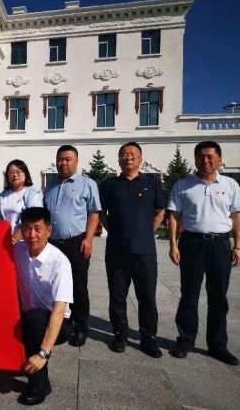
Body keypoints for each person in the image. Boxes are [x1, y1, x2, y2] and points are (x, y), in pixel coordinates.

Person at [168, 141, 240, 366]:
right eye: (200, 156)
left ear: (219, 159)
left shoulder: (230, 185)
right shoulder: (183, 185)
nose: (205, 160)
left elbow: (236, 217)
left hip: (220, 245)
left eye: (210, 156)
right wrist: (173, 244)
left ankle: (218, 344)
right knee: (189, 293)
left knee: (218, 296)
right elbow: (174, 216)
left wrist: (237, 246)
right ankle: (185, 339)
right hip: (192, 244)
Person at [100, 142, 165, 357]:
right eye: (124, 155)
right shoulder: (110, 184)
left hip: (144, 250)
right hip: (117, 250)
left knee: (146, 296)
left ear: (140, 158)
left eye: (132, 154)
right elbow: (101, 212)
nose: (128, 158)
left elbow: (160, 211)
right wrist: (112, 229)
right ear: (119, 159)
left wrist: (147, 231)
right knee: (117, 294)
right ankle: (120, 333)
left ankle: (148, 337)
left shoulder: (151, 183)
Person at [14, 207, 73, 406]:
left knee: (35, 319)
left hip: (58, 323)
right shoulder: (18, 250)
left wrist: (43, 354)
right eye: (27, 228)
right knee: (26, 319)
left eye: (38, 229)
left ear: (49, 231)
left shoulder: (59, 262)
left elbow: (59, 310)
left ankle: (38, 384)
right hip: (28, 314)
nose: (32, 235)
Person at [43, 145, 101, 347]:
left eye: (68, 159)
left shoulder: (87, 184)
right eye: (60, 159)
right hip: (53, 244)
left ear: (76, 161)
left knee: (78, 286)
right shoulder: (50, 185)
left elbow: (94, 213)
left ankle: (81, 326)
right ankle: (60, 324)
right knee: (54, 285)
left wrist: (88, 238)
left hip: (76, 242)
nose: (63, 163)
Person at [0, 159, 43, 243]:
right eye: (11, 172)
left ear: (25, 174)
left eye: (18, 171)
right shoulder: (2, 196)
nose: (15, 175)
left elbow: (34, 217)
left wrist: (15, 238)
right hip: (4, 240)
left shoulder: (33, 193)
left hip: (24, 240)